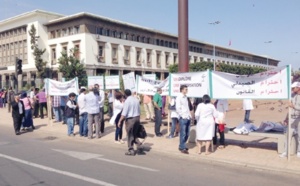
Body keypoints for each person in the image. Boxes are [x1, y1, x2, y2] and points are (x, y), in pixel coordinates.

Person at [118, 89, 142, 156]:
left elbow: (124, 113)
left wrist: (120, 121)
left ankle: (131, 150)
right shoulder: (136, 99)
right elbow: (139, 111)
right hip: (137, 118)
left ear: (125, 94)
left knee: (129, 134)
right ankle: (139, 145)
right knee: (134, 133)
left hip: (130, 119)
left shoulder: (127, 101)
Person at [280, 82, 300, 158]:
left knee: (299, 136)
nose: (292, 89)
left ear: (298, 87)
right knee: (288, 135)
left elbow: (293, 106)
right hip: (291, 117)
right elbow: (289, 109)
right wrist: (286, 118)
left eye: (293, 88)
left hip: (299, 118)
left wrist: (293, 106)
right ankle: (286, 151)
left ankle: (299, 152)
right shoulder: (291, 95)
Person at [176, 85, 192, 154]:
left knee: (187, 133)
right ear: (182, 90)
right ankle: (182, 147)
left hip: (187, 117)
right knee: (183, 133)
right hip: (183, 117)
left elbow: (187, 107)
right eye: (185, 89)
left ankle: (182, 145)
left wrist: (189, 115)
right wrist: (182, 116)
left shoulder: (185, 97)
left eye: (187, 89)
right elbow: (178, 108)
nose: (186, 90)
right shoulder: (179, 97)